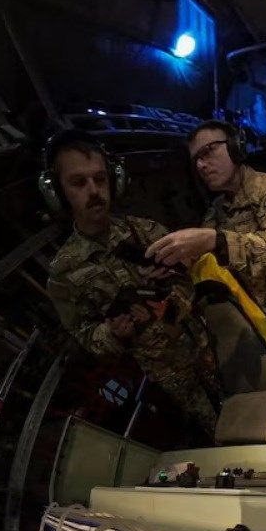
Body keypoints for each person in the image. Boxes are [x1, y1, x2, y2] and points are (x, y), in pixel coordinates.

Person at [41, 129, 219, 436]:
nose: (94, 190)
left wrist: (172, 301)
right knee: (213, 443)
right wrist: (112, 334)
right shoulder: (63, 273)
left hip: (207, 352)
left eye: (100, 178)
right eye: (78, 182)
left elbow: (191, 279)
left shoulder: (147, 231)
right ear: (58, 193)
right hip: (165, 386)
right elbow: (80, 336)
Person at [144, 120, 266, 414]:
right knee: (259, 378)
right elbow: (206, 263)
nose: (202, 165)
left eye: (209, 152)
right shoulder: (216, 212)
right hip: (252, 307)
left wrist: (215, 240)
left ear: (235, 147)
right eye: (196, 160)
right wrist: (175, 267)